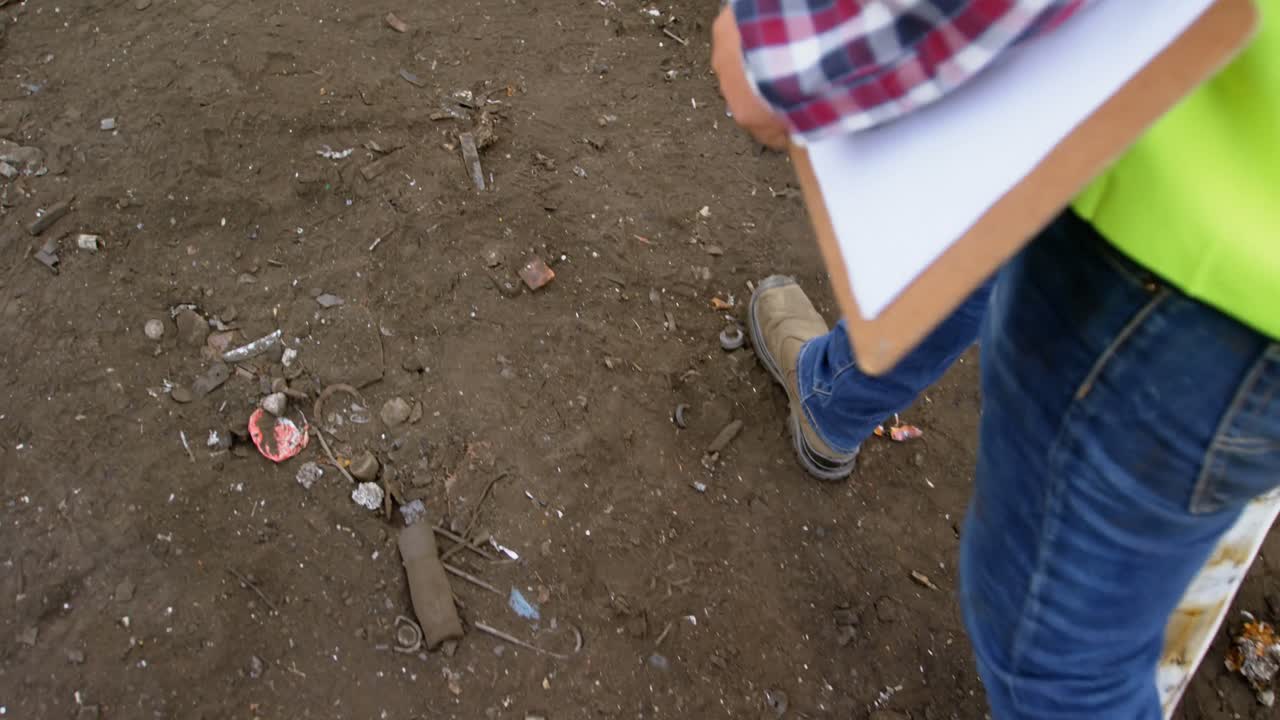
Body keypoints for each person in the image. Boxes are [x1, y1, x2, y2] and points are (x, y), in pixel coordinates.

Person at [710, 1, 1280, 718]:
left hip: (1186, 254)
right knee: (989, 203)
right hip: (1200, 151)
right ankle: (835, 399)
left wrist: (787, 53)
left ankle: (833, 401)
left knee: (1057, 662)